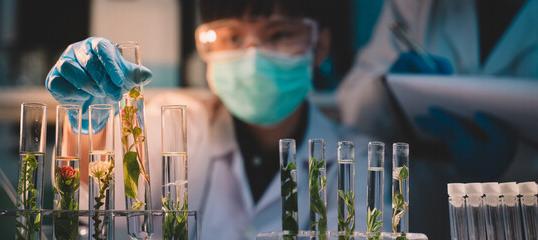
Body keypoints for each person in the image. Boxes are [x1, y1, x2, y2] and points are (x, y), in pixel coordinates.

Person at [46, 0, 374, 239]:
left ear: (320, 46)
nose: (252, 54)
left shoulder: (357, 159)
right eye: (232, 37)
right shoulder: (171, 125)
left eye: (278, 35)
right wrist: (87, 120)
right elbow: (98, 209)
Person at [336, 0, 538, 238]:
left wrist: (520, 163)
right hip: (421, 209)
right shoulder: (415, 5)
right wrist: (385, 89)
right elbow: (350, 107)